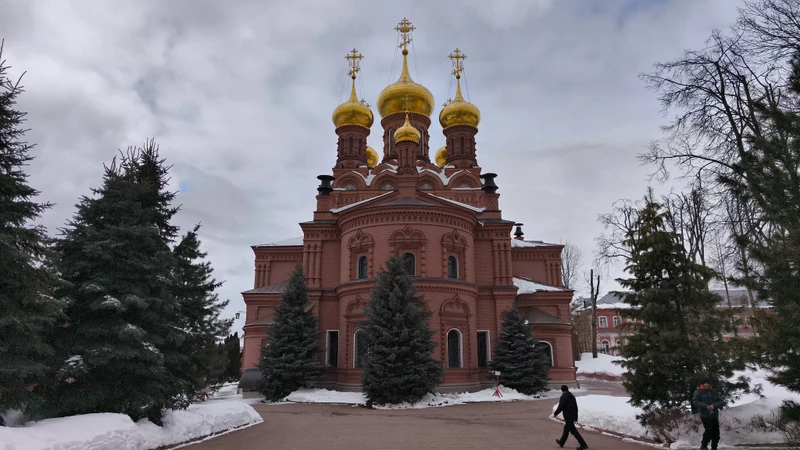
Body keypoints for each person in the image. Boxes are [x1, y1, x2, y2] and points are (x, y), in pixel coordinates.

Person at [553, 385, 588, 449]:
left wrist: (555, 413)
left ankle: (583, 445)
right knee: (566, 429)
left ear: (562, 390)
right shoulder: (572, 396)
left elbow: (561, 406)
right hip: (571, 416)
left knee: (574, 431)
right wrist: (575, 417)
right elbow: (575, 407)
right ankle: (562, 442)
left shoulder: (563, 396)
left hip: (568, 416)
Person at [692, 380, 724, 450]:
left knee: (716, 433)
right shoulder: (698, 392)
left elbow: (721, 401)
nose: (706, 385)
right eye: (705, 383)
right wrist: (706, 406)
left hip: (714, 415)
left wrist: (714, 405)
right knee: (709, 430)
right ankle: (704, 445)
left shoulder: (714, 392)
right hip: (704, 415)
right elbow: (695, 401)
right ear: (702, 384)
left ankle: (714, 447)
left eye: (708, 383)